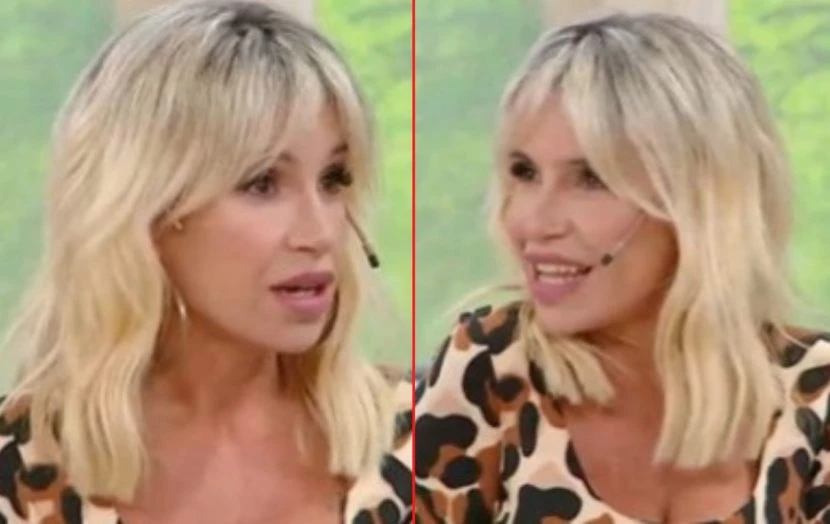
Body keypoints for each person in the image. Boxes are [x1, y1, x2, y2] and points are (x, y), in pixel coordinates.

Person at [358, 12, 830, 523]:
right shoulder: (489, 372)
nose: (531, 222)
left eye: (591, 179)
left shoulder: (816, 394)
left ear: (700, 203)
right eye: (524, 173)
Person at [0, 1, 402, 522]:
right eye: (262, 183)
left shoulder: (425, 433)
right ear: (149, 209)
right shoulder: (19, 464)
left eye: (334, 180)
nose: (320, 232)